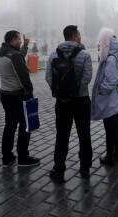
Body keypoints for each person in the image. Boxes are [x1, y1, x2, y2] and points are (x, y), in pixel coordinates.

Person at [46, 25, 93, 183]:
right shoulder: (84, 54)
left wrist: (60, 92)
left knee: (62, 135)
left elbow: (48, 77)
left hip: (62, 102)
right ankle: (85, 168)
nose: (80, 36)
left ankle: (58, 168)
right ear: (74, 36)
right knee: (84, 134)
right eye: (78, 34)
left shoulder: (54, 54)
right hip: (81, 101)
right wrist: (77, 91)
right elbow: (87, 77)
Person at [0, 31, 40, 168]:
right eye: (19, 39)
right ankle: (23, 157)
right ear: (13, 39)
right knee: (25, 125)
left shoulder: (3, 51)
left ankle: (7, 157)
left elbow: (18, 59)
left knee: (9, 126)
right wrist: (30, 94)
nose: (21, 41)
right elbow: (24, 77)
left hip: (5, 94)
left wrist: (25, 47)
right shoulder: (14, 55)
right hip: (18, 96)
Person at [92, 29, 118, 166]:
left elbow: (112, 79)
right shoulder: (113, 56)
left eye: (101, 42)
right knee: (115, 129)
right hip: (113, 102)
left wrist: (101, 90)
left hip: (110, 102)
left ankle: (110, 155)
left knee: (110, 130)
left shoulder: (110, 59)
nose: (99, 45)